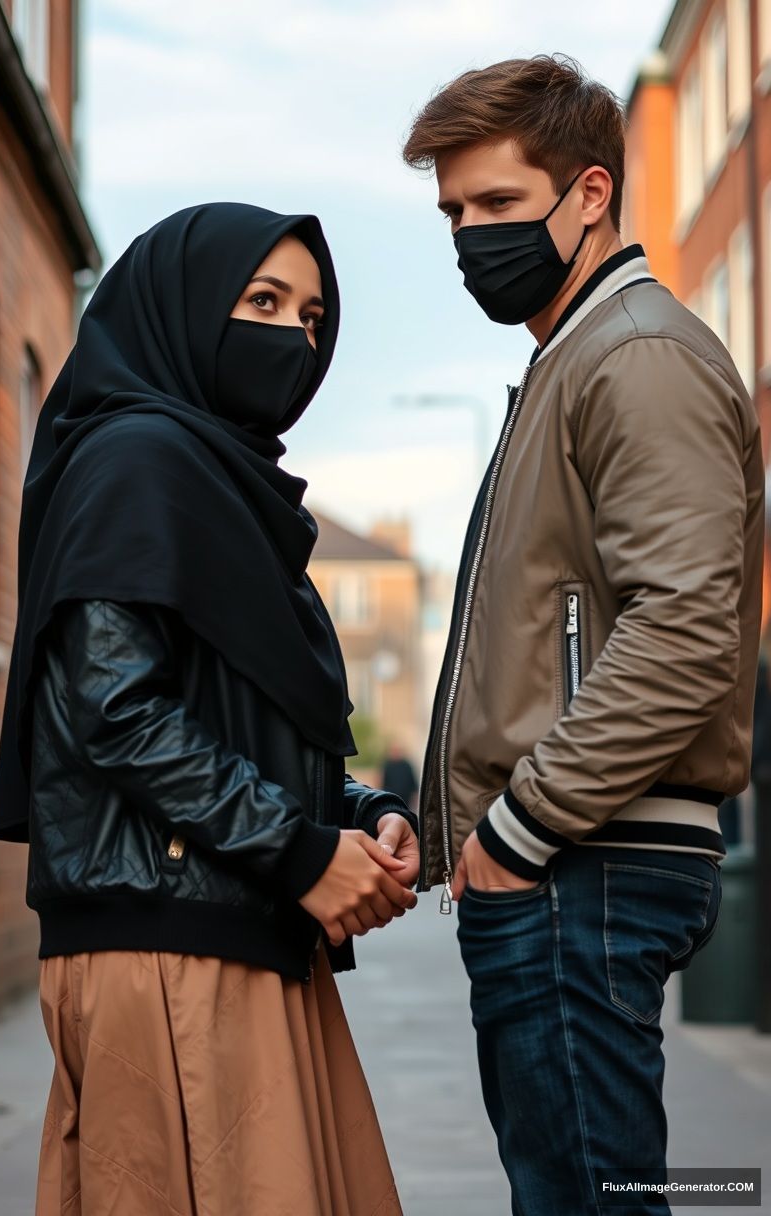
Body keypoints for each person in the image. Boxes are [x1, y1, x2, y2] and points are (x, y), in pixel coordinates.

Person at [0, 203, 420, 1216]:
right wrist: (302, 853)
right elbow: (118, 712)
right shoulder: (136, 459)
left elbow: (227, 713)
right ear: (179, 308)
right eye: (262, 301)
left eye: (313, 318)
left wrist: (351, 817)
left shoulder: (217, 482)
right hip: (173, 947)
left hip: (238, 928)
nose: (294, 340)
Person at [402, 54, 764, 1215]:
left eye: (498, 205)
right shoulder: (573, 359)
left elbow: (684, 631)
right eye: (454, 211)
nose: (470, 236)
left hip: (582, 861)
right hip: (569, 860)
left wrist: (518, 827)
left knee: (591, 1200)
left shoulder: (636, 356)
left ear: (590, 192)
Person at [381, 744, 419, 811]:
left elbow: (412, 781)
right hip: (391, 797)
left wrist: (415, 795)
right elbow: (382, 781)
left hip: (405, 798)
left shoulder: (406, 765)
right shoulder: (387, 765)